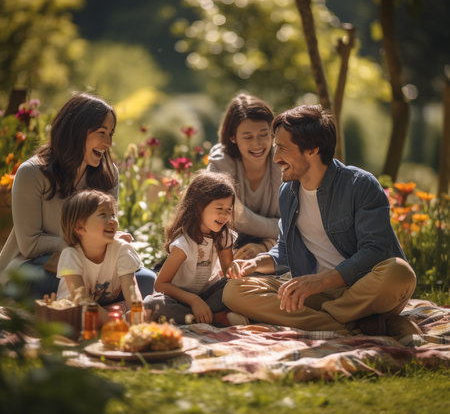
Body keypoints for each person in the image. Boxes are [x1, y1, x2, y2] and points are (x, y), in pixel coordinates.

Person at [223, 104, 421, 339]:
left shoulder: (360, 185)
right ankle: (352, 325)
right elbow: (285, 251)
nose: (275, 158)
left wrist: (321, 282)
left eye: (283, 149)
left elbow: (376, 251)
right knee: (234, 291)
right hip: (314, 292)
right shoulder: (288, 192)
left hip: (362, 289)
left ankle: (326, 321)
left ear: (312, 150)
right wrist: (256, 264)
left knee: (399, 273)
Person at [0, 93, 155, 297]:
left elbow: (102, 229)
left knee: (147, 281)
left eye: (111, 134)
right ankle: (97, 303)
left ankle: (91, 304)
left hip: (90, 262)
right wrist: (88, 239)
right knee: (59, 285)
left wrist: (111, 239)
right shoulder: (32, 173)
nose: (108, 143)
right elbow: (30, 245)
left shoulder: (108, 174)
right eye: (102, 132)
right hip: (35, 264)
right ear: (76, 131)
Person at [143, 171, 248, 326]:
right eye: (220, 208)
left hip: (209, 295)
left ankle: (200, 317)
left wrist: (237, 269)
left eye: (229, 209)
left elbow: (228, 275)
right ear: (199, 207)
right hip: (180, 299)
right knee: (151, 305)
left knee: (237, 285)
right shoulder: (184, 243)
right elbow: (160, 285)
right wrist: (194, 300)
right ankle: (213, 318)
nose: (225, 215)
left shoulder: (223, 236)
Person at [207, 93, 281, 260]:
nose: (257, 144)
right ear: (232, 137)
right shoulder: (220, 165)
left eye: (264, 134)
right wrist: (280, 228)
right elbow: (231, 216)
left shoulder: (283, 162)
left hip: (275, 251)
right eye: (248, 137)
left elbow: (298, 223)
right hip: (223, 252)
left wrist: (264, 246)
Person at [57, 190, 144, 324]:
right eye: (103, 215)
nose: (112, 221)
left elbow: (132, 292)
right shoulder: (71, 255)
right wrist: (116, 323)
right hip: (75, 309)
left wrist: (138, 318)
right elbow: (82, 300)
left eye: (113, 215)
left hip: (103, 306)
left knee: (147, 306)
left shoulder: (122, 249)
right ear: (80, 227)